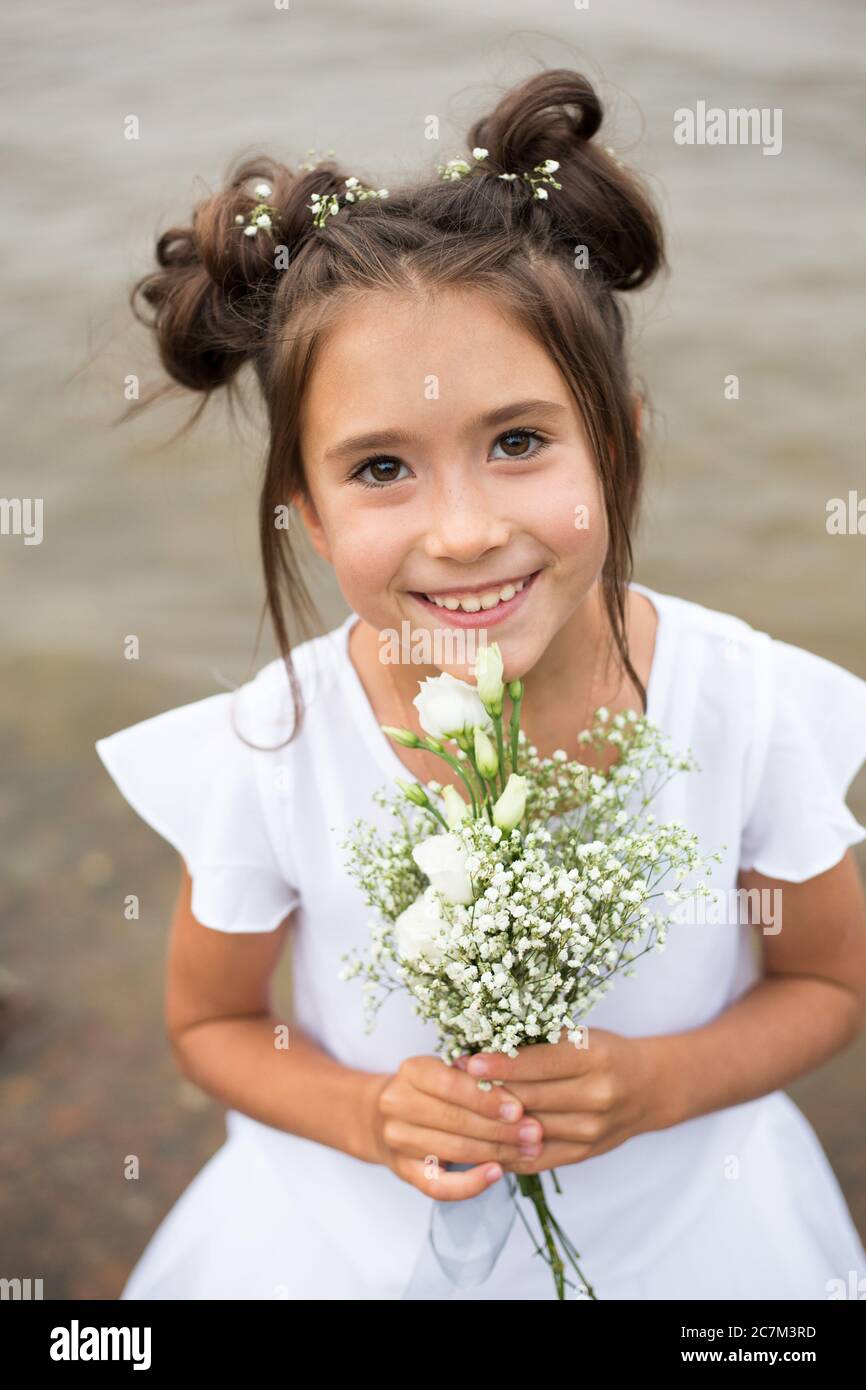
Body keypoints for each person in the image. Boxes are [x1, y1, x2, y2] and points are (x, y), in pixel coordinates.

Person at [95, 68, 866, 1300]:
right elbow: (214, 1026)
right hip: (352, 1232)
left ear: (613, 437)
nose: (460, 532)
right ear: (303, 507)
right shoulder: (276, 742)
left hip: (680, 1226)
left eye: (517, 443)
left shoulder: (741, 704)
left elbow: (826, 983)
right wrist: (367, 1113)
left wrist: (660, 1083)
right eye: (381, 466)